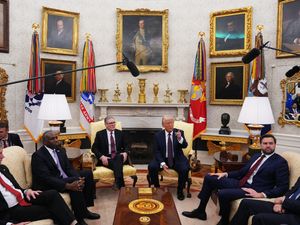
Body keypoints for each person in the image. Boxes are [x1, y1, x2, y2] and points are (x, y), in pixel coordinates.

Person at [182, 134, 289, 225]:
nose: (268, 146)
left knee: (223, 193)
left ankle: (224, 221)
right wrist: (226, 174)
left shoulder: (280, 162)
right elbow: (242, 172)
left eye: (271, 143)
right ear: (261, 145)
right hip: (241, 182)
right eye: (265, 143)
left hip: (253, 189)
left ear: (275, 145)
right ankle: (200, 211)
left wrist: (262, 194)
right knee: (210, 177)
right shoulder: (256, 156)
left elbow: (283, 187)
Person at [0, 145, 81, 225]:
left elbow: (16, 187)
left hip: (24, 198)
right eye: (0, 153)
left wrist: (26, 191)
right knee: (54, 210)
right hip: (12, 209)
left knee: (53, 194)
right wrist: (9, 224)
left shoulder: (3, 168)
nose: (3, 156)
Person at [31, 131, 100, 225]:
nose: (56, 140)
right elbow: (46, 178)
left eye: (56, 137)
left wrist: (79, 178)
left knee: (87, 174)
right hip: (50, 183)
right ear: (45, 142)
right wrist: (67, 184)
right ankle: (79, 218)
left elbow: (68, 168)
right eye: (52, 139)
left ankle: (85, 211)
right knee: (74, 182)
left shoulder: (60, 150)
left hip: (63, 177)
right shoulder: (38, 156)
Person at [148, 115, 190, 201]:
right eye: (168, 123)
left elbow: (185, 146)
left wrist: (179, 138)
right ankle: (157, 187)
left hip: (177, 158)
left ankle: (180, 190)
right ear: (163, 125)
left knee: (184, 168)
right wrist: (162, 163)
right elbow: (157, 151)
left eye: (172, 122)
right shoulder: (158, 135)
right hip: (163, 158)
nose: (171, 125)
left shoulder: (179, 132)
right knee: (152, 166)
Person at [230, 177, 300, 225]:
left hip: (296, 216)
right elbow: (292, 190)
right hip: (288, 206)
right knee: (246, 203)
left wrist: (284, 201)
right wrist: (280, 203)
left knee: (259, 218)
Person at [91, 116, 127, 189]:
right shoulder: (100, 134)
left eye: (114, 122)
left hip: (118, 156)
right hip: (106, 159)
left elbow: (127, 146)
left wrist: (125, 152)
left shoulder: (120, 133)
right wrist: (102, 157)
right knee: (117, 163)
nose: (113, 124)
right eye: (110, 123)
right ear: (106, 124)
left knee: (118, 157)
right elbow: (94, 148)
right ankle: (120, 183)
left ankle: (117, 182)